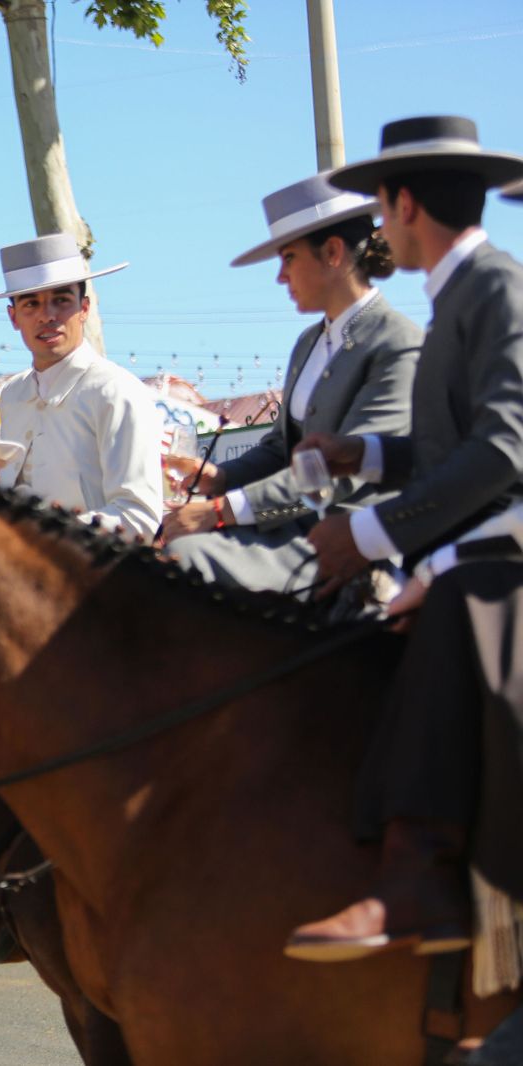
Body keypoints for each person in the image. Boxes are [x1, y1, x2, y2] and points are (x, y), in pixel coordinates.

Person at [280, 116, 523, 961]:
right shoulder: (461, 293)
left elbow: (504, 450)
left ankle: (423, 877)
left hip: (502, 557)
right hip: (470, 544)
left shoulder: (494, 287)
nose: (378, 231)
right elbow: (454, 450)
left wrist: (377, 534)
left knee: (451, 608)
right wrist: (366, 453)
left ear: (405, 202)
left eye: (380, 213)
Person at [162, 174, 421, 593]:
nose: (280, 277)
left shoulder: (398, 342)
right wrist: (220, 477)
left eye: (288, 258)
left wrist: (221, 509)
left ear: (333, 253)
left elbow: (346, 474)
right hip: (283, 527)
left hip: (350, 540)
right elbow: (282, 448)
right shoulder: (309, 342)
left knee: (188, 558)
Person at [0, 233, 164, 538]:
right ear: (13, 317)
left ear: (84, 308)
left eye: (61, 301)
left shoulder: (115, 390)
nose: (47, 316)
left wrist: (49, 539)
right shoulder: (13, 394)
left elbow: (138, 515)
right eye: (31, 304)